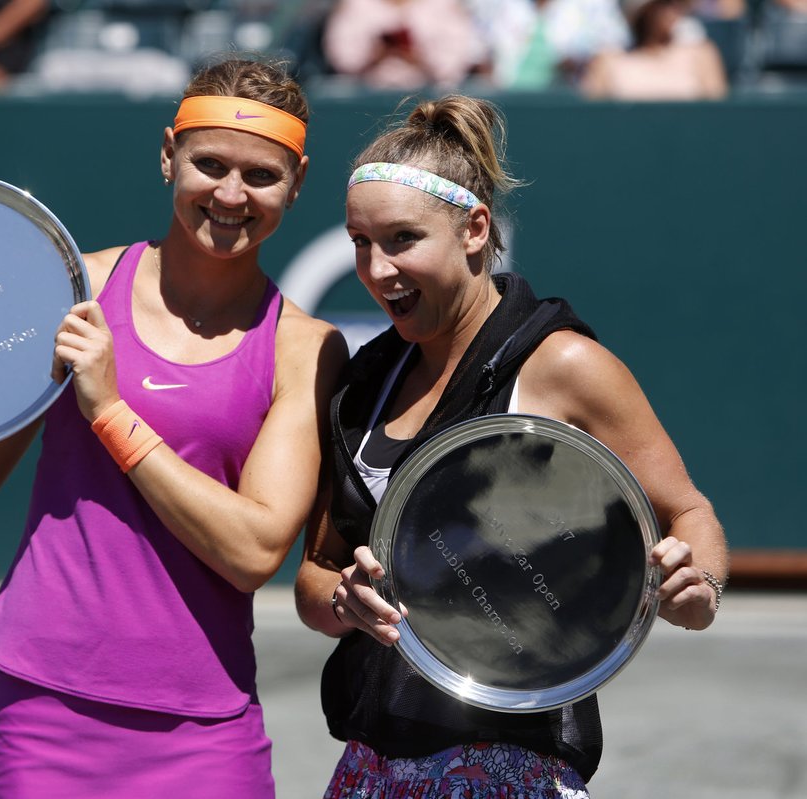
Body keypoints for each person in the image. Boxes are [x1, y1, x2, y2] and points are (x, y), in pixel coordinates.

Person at [0, 56, 347, 797]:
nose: (232, 195)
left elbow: (253, 550)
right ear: (167, 156)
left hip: (206, 732)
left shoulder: (305, 346)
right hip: (40, 714)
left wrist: (110, 410)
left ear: (298, 181)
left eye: (263, 176)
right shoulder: (69, 288)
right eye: (209, 164)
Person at [294, 94, 729, 798]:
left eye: (403, 239)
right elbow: (316, 575)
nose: (375, 269)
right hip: (371, 765)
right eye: (359, 241)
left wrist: (698, 586)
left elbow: (690, 512)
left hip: (514, 767)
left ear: (474, 229)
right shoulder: (365, 381)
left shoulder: (563, 366)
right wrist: (345, 602)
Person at [321, 0, 487, 91]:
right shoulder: (355, 4)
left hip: (429, 100)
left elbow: (452, 65)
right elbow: (342, 59)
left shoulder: (445, 4)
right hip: (365, 97)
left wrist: (414, 54)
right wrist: (378, 53)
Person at [464, 0, 630, 90]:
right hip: (505, 103)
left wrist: (586, 63)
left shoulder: (595, 5)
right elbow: (473, 53)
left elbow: (615, 50)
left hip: (571, 104)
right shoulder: (495, 5)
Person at [581, 0, 728, 100]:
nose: (674, 8)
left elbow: (717, 118)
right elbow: (592, 121)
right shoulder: (608, 60)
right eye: (664, 3)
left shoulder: (701, 54)